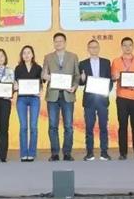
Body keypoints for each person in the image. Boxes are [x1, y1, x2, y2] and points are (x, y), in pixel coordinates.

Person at [41, 32, 80, 161]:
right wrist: (45, 76)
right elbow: (43, 74)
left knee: (68, 126)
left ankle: (67, 153)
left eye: (60, 41)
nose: (58, 43)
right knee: (53, 126)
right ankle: (55, 153)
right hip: (53, 95)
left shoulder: (73, 56)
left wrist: (74, 86)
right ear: (53, 43)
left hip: (68, 94)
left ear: (65, 42)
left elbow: (77, 76)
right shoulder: (48, 57)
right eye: (56, 41)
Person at [111, 36, 134, 160]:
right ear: (121, 47)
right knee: (123, 125)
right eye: (125, 45)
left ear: (133, 46)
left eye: (130, 45)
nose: (127, 47)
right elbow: (113, 77)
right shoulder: (116, 61)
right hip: (122, 97)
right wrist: (115, 77)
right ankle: (123, 153)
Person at [78, 39, 112, 161]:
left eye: (96, 47)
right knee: (89, 128)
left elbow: (110, 80)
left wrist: (106, 91)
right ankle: (89, 153)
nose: (94, 49)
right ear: (88, 49)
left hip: (102, 99)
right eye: (91, 47)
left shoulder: (106, 62)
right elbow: (80, 82)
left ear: (99, 48)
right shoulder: (82, 63)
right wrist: (82, 79)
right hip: (89, 100)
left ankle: (104, 152)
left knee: (103, 127)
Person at [14, 45, 42, 162]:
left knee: (34, 127)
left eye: (29, 52)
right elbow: (15, 83)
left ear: (32, 54)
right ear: (22, 55)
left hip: (34, 98)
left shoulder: (38, 68)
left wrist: (40, 90)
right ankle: (23, 153)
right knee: (23, 127)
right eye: (24, 53)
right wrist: (15, 86)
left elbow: (41, 83)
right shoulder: (18, 68)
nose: (26, 55)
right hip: (21, 98)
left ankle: (32, 153)